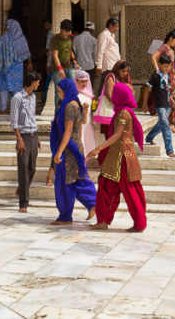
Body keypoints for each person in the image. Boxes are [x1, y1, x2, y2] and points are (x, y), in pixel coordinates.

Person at [87, 82, 147, 232]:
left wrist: (98, 148)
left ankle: (139, 224)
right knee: (107, 187)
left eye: (114, 93)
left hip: (122, 158)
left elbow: (117, 135)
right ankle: (103, 220)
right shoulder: (121, 111)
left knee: (130, 191)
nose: (112, 96)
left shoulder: (123, 113)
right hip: (115, 156)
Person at [50, 78, 96, 225]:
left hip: (69, 149)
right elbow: (81, 124)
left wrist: (59, 152)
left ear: (66, 90)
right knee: (76, 179)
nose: (59, 94)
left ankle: (66, 216)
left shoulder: (69, 107)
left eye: (60, 91)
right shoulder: (76, 104)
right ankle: (92, 205)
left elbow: (68, 130)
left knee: (66, 181)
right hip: (75, 147)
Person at [0, 18, 31, 113]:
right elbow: (26, 52)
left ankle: (3, 108)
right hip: (17, 67)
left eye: (7, 25)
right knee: (16, 87)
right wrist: (29, 63)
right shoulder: (20, 38)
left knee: (5, 87)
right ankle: (17, 109)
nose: (5, 27)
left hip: (6, 67)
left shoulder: (5, 37)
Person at [11, 70, 41, 213]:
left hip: (33, 135)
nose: (39, 84)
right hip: (23, 136)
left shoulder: (33, 97)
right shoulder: (18, 98)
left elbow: (32, 117)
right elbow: (14, 121)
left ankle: (20, 190)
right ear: (32, 82)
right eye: (38, 81)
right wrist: (19, 139)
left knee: (32, 168)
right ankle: (23, 203)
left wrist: (38, 137)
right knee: (23, 170)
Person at [144, 55, 175, 158]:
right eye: (165, 66)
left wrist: (174, 103)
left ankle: (149, 138)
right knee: (165, 126)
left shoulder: (166, 76)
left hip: (167, 104)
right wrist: (144, 104)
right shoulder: (156, 76)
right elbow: (146, 88)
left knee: (160, 124)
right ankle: (169, 150)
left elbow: (167, 91)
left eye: (168, 67)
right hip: (160, 105)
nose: (167, 69)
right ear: (159, 64)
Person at [96, 60, 131, 140]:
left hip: (118, 111)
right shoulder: (111, 77)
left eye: (126, 71)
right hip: (110, 109)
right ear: (118, 69)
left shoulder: (123, 79)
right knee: (110, 134)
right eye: (123, 71)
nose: (125, 73)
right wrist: (118, 104)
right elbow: (109, 94)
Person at [50, 20, 78, 94]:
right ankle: (60, 106)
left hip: (69, 67)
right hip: (58, 69)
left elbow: (70, 50)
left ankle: (70, 105)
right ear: (61, 29)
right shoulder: (55, 39)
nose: (67, 33)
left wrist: (74, 60)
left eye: (68, 31)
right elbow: (55, 55)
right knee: (59, 91)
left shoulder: (70, 38)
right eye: (65, 31)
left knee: (72, 89)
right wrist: (60, 69)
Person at [73, 69, 98, 156]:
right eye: (82, 81)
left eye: (86, 81)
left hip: (88, 124)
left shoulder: (89, 94)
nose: (84, 84)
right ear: (76, 81)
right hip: (79, 125)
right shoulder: (74, 95)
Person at [94, 18, 122, 90]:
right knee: (105, 87)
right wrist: (99, 66)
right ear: (110, 25)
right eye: (116, 26)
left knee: (110, 87)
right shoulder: (104, 35)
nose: (117, 28)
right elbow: (100, 50)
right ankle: (99, 100)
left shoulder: (111, 36)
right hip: (108, 66)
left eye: (117, 27)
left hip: (113, 66)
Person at [73, 22, 98, 86]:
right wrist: (96, 65)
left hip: (79, 66)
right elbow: (95, 54)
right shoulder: (93, 39)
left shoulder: (76, 38)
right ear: (91, 29)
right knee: (89, 85)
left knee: (79, 85)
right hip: (90, 66)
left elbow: (74, 52)